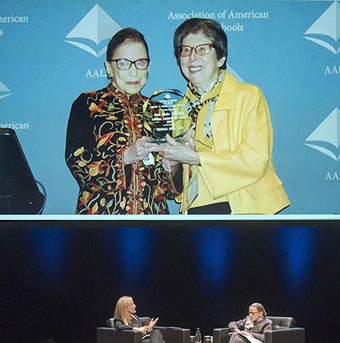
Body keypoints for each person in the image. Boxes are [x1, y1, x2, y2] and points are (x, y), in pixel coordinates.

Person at [158, 18, 290, 215]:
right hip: (195, 210)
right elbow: (180, 186)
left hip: (243, 207)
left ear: (220, 58)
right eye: (185, 50)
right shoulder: (180, 108)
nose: (192, 58)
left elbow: (255, 160)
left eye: (202, 49)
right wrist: (175, 166)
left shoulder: (248, 96)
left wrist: (197, 157)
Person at [66, 28, 180, 214]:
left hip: (152, 224)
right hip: (101, 223)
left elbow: (167, 191)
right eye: (124, 63)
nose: (134, 73)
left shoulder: (158, 112)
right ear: (109, 68)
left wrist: (174, 166)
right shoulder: (89, 104)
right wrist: (126, 157)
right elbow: (79, 165)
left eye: (140, 63)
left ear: (148, 67)